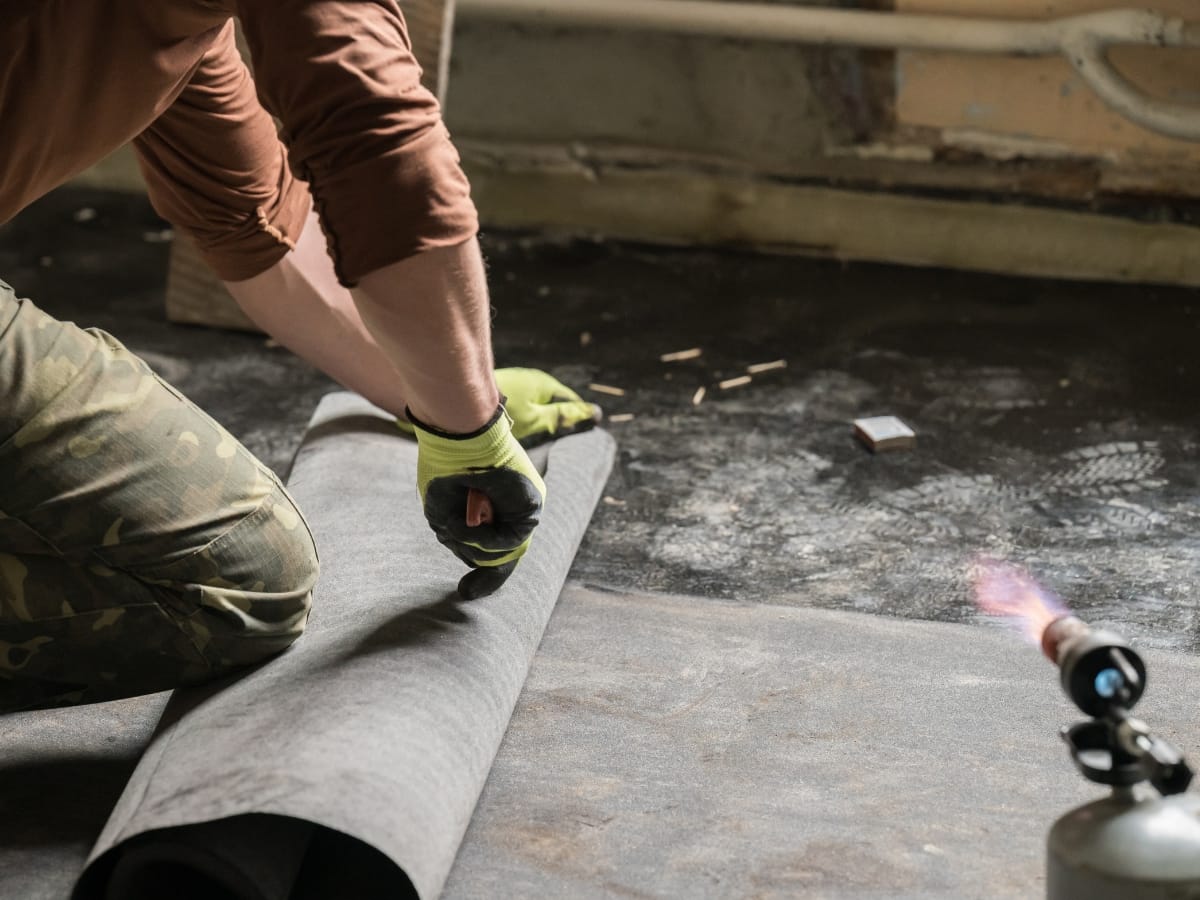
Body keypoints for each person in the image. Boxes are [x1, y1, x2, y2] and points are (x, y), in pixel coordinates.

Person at [0, 0, 598, 712]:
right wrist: (466, 427)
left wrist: (434, 390)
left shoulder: (171, 29)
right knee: (240, 580)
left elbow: (255, 227)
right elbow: (385, 157)